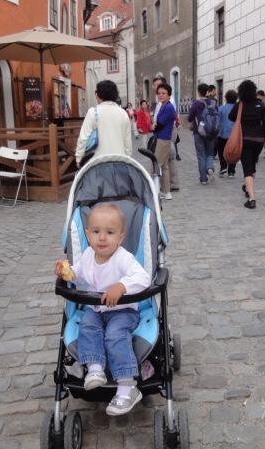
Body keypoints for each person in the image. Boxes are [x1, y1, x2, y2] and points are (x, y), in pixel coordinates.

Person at [55, 204, 150, 416]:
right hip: (96, 309)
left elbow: (142, 277)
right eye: (96, 231)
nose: (102, 238)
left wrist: (122, 286)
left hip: (123, 311)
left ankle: (127, 386)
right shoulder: (88, 255)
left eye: (110, 232)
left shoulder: (123, 258)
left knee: (115, 335)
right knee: (87, 327)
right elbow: (79, 273)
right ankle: (95, 368)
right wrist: (68, 272)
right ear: (88, 235)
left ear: (121, 237)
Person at [228, 80, 265, 209]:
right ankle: (248, 188)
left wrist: (241, 119)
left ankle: (251, 198)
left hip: (245, 140)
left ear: (241, 92)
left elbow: (231, 117)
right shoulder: (260, 105)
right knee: (252, 164)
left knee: (247, 168)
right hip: (258, 141)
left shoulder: (240, 105)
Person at [75, 80, 132, 167]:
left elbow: (83, 138)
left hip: (97, 163)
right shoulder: (123, 113)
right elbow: (128, 143)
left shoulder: (93, 112)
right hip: (119, 162)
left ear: (98, 95)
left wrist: (79, 158)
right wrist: (127, 158)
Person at [152, 76, 180, 189]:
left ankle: (168, 186)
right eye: (159, 92)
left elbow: (161, 123)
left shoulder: (168, 105)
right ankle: (166, 189)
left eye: (163, 92)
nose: (160, 94)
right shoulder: (162, 103)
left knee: (163, 162)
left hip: (165, 135)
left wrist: (153, 127)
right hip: (162, 135)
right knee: (165, 164)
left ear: (168, 94)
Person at [187, 83, 217, 184]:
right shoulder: (213, 102)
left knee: (201, 155)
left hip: (198, 132)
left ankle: (203, 179)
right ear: (208, 91)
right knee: (210, 153)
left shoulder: (196, 103)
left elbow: (190, 118)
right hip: (211, 132)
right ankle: (210, 168)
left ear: (199, 92)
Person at [217, 89, 237, 177]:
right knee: (233, 152)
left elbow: (217, 121)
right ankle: (231, 170)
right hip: (234, 134)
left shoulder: (221, 108)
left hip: (222, 133)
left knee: (221, 151)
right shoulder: (237, 109)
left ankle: (223, 166)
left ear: (226, 98)